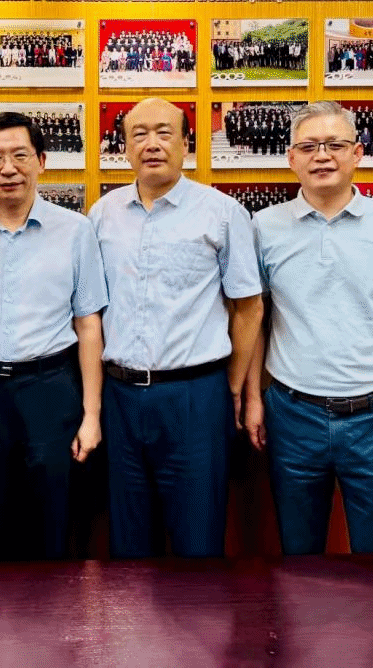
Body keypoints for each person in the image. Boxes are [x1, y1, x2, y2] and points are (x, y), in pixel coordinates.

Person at [248, 100, 373, 555]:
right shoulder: (263, 227)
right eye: (308, 146)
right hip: (291, 415)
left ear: (357, 153)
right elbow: (254, 320)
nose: (322, 156)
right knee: (298, 556)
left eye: (334, 145)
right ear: (291, 158)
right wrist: (253, 398)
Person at [89, 98, 263, 558]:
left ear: (186, 143)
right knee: (128, 543)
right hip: (121, 396)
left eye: (164, 133)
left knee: (198, 542)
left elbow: (249, 308)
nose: (152, 144)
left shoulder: (221, 213)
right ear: (124, 148)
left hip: (195, 397)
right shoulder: (102, 215)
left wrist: (231, 387)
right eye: (139, 134)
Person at [0, 111, 106, 562]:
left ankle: (56, 607)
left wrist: (91, 415)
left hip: (49, 388)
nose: (8, 168)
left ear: (41, 161)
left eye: (20, 155)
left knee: (53, 518)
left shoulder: (75, 230)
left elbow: (89, 325)